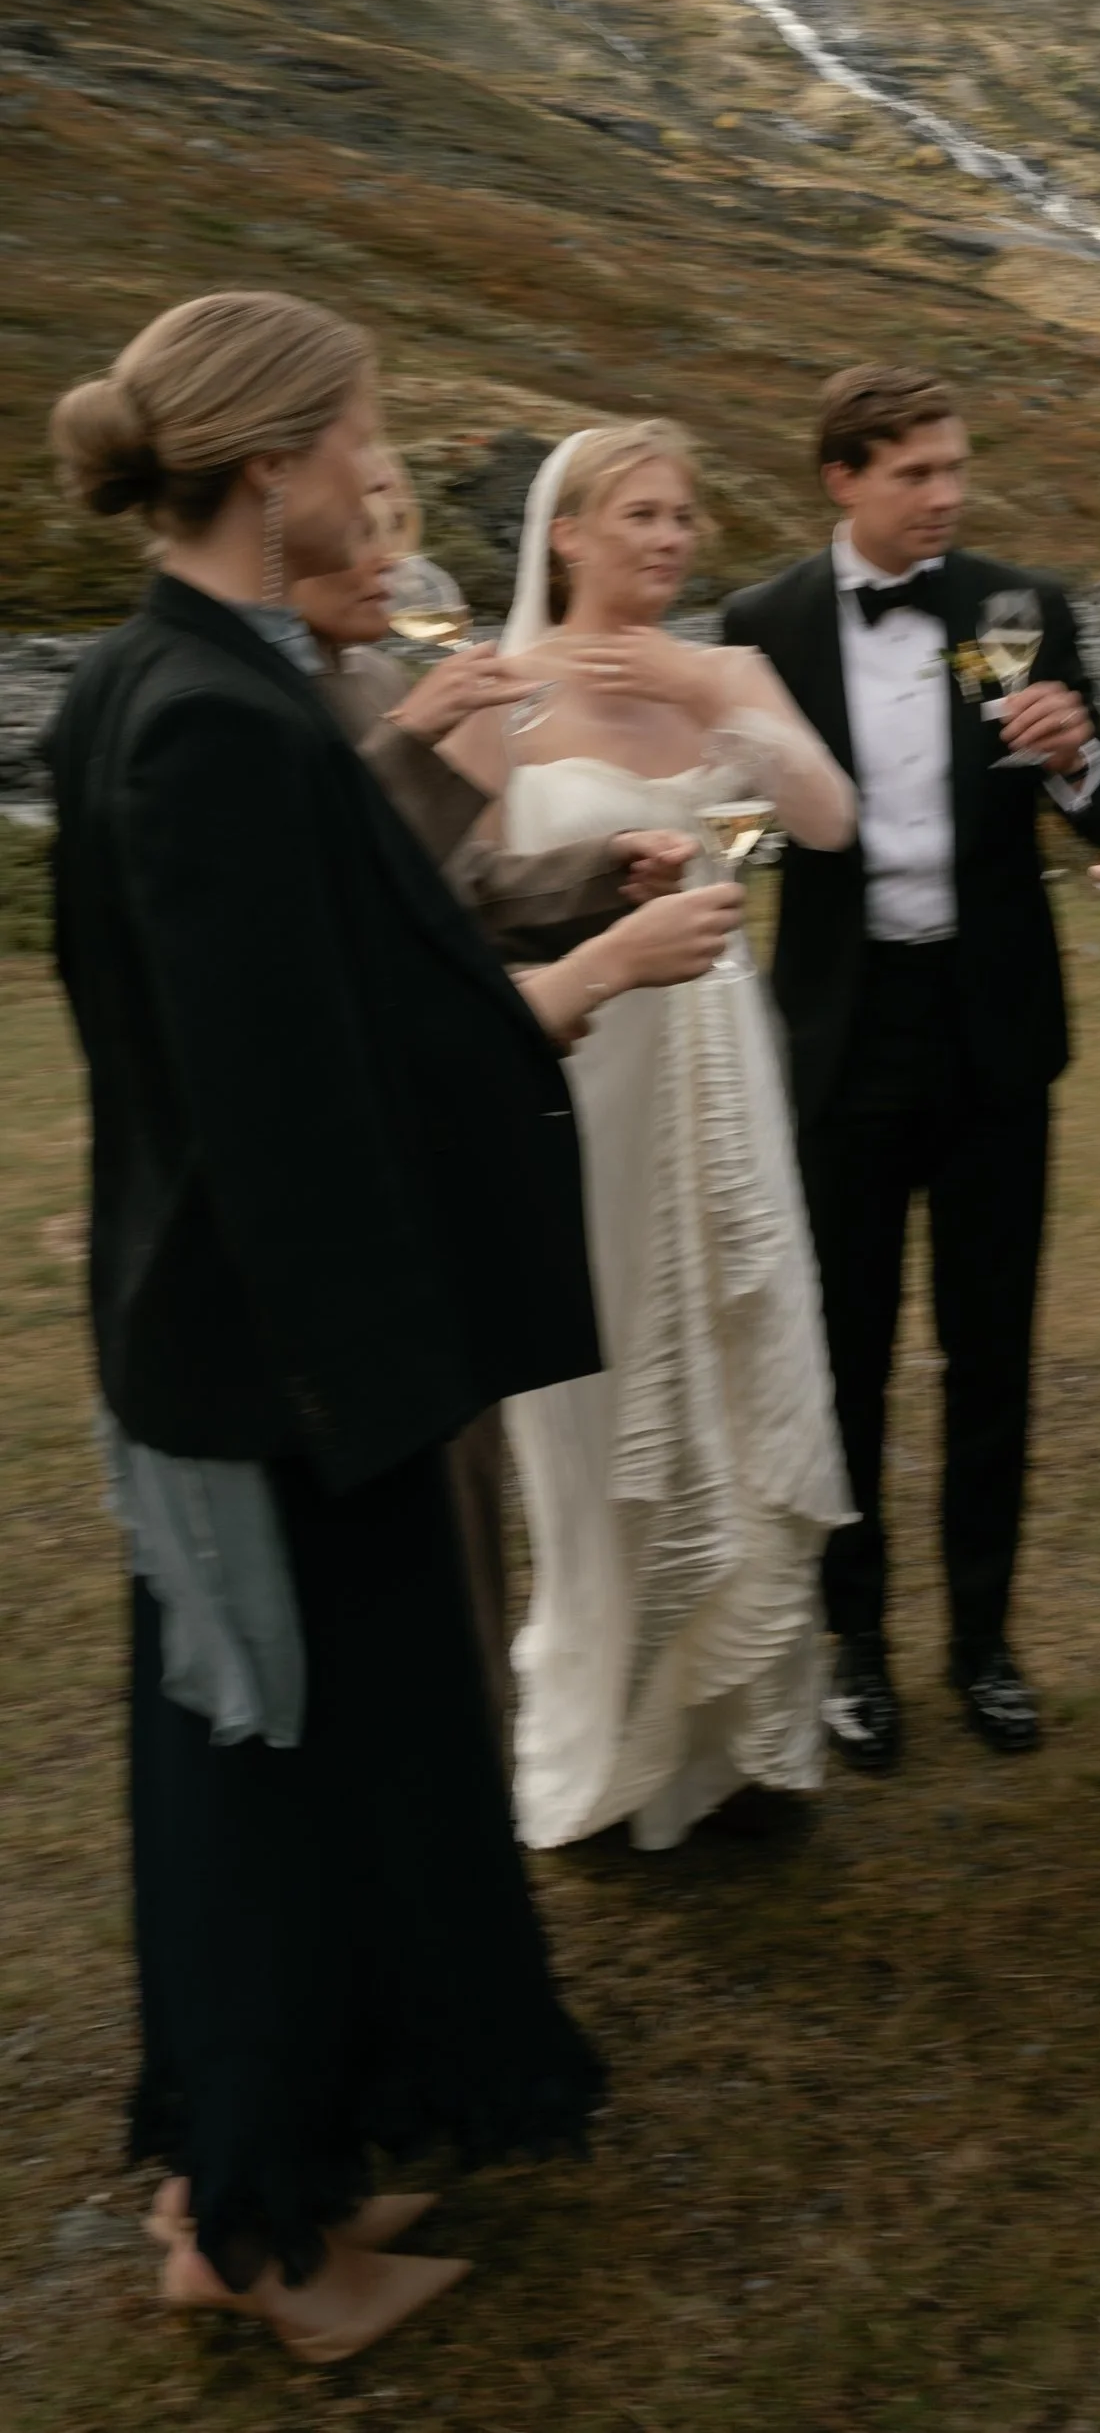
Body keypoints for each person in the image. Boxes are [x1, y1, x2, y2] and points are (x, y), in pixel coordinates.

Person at [47, 292, 740, 2372]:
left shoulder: (191, 686)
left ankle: (292, 2168)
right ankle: (252, 2238)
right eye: (366, 436)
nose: (383, 470)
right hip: (277, 1376)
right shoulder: (210, 728)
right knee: (270, 1791)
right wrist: (590, 981)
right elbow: (300, 1106)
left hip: (271, 1356)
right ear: (272, 464)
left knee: (308, 1772)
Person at [719, 360, 1100, 1771]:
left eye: (957, 467)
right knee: (841, 1361)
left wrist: (1078, 764)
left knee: (993, 1355)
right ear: (842, 478)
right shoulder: (761, 623)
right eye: (916, 472)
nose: (948, 494)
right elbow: (730, 815)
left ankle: (985, 1646)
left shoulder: (1020, 607)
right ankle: (861, 1652)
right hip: (839, 1040)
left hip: (994, 1034)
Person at [482, 423, 860, 1853]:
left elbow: (828, 820)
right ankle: (611, 1745)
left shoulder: (728, 672)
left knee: (740, 1341)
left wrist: (717, 690)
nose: (670, 535)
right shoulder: (503, 693)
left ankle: (736, 1737)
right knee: (593, 1396)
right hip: (580, 1075)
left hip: (718, 1070)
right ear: (564, 534)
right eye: (639, 513)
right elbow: (462, 891)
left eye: (686, 513)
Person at [290, 468, 696, 1744]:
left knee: (466, 1508)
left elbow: (460, 886)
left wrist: (598, 874)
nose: (399, 567)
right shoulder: (269, 705)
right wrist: (416, 740)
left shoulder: (365, 676)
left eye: (399, 532)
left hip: (440, 1160)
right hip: (344, 1158)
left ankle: (468, 1766)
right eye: (373, 534)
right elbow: (331, 908)